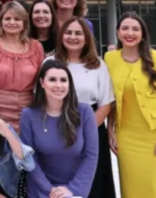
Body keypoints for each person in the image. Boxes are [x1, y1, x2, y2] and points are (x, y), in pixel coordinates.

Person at [105, 12, 156, 198]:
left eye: (135, 29)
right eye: (125, 28)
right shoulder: (109, 59)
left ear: (143, 34)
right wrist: (110, 130)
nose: (130, 33)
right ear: (118, 33)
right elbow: (110, 99)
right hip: (126, 139)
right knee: (131, 191)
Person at [51, 17, 116, 198]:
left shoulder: (98, 65)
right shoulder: (50, 62)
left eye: (78, 33)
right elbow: (40, 99)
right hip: (57, 130)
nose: (73, 37)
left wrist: (83, 132)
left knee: (94, 184)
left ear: (86, 38)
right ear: (61, 36)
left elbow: (106, 103)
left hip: (92, 130)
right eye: (69, 32)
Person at [19, 60, 98, 198]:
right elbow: (29, 159)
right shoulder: (28, 115)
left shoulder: (85, 112)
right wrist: (50, 191)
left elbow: (91, 156)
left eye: (63, 80)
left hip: (74, 190)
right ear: (42, 83)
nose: (58, 85)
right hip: (41, 189)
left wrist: (72, 189)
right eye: (52, 80)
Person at [0, 2, 44, 132]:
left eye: (17, 19)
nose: (12, 22)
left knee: (26, 150)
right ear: (1, 22)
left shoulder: (36, 47)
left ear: (24, 24)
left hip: (29, 110)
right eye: (7, 18)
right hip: (0, 109)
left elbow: (41, 81)